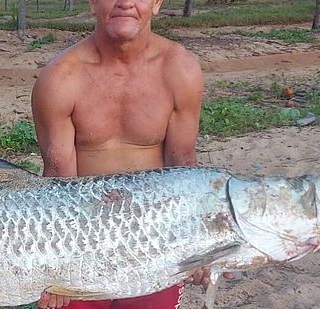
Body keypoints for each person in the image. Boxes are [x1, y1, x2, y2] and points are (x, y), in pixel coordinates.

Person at [30, 0, 231, 308]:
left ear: (157, 3)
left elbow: (183, 168)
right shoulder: (59, 78)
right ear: (92, 2)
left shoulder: (180, 69)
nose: (125, 2)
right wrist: (54, 267)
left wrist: (200, 244)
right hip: (80, 243)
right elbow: (58, 187)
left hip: (156, 240)